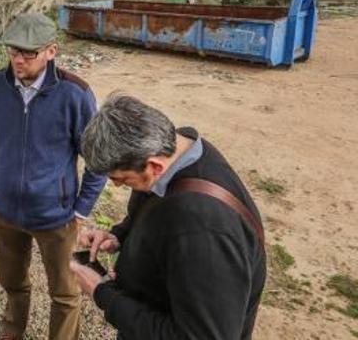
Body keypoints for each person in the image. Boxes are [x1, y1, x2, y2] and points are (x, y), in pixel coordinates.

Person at [70, 94, 266, 339]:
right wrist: (120, 235)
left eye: (121, 179)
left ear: (154, 166)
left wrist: (102, 292)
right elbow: (155, 210)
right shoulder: (180, 150)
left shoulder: (205, 232)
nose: (118, 186)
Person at [0, 13, 107, 340]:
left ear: (51, 51)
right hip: (2, 211)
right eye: (13, 51)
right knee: (13, 285)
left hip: (56, 216)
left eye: (28, 53)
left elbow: (98, 159)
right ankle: (11, 333)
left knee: (64, 293)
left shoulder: (75, 94)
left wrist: (80, 210)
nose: (18, 60)